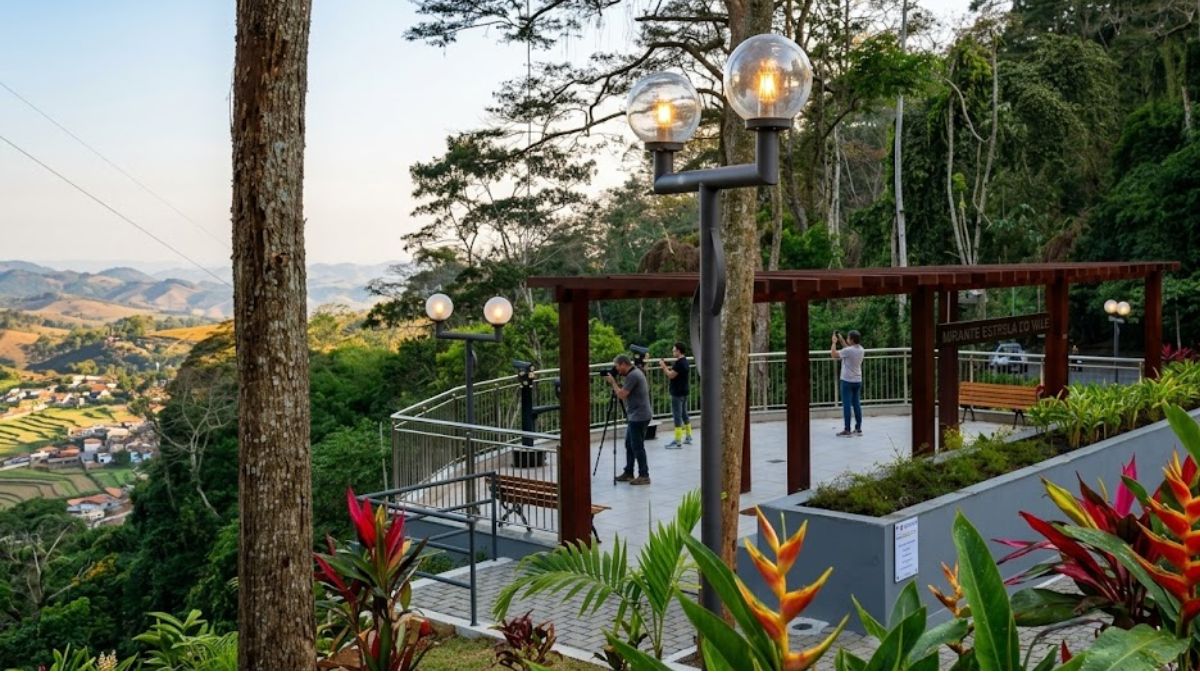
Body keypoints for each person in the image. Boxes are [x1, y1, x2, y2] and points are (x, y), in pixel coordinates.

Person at [606, 354, 652, 485]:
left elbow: (621, 395)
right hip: (638, 415)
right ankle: (629, 472)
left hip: (639, 416)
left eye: (617, 367)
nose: (617, 370)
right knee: (629, 444)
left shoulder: (633, 376)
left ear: (623, 364)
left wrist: (613, 382)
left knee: (637, 446)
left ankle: (644, 475)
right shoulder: (635, 373)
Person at [831, 330, 864, 437]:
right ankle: (858, 429)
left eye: (848, 338)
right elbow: (847, 349)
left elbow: (834, 355)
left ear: (852, 340)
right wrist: (841, 340)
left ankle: (847, 429)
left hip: (847, 381)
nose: (847, 339)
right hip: (857, 380)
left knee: (846, 406)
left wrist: (834, 342)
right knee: (856, 404)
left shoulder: (849, 351)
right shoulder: (861, 349)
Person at [659, 342, 692, 448]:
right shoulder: (685, 361)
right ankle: (688, 436)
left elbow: (671, 375)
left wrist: (664, 367)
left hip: (677, 393)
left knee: (677, 416)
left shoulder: (679, 364)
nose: (672, 352)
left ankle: (677, 441)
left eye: (673, 350)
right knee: (684, 414)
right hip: (684, 392)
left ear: (678, 351)